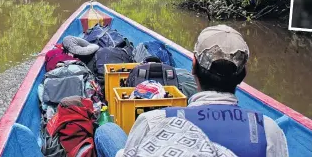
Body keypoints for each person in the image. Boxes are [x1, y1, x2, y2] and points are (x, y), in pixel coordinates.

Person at [94, 25, 289, 157]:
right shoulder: (269, 130)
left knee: (106, 131)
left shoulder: (153, 121)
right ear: (242, 74)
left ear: (193, 66)